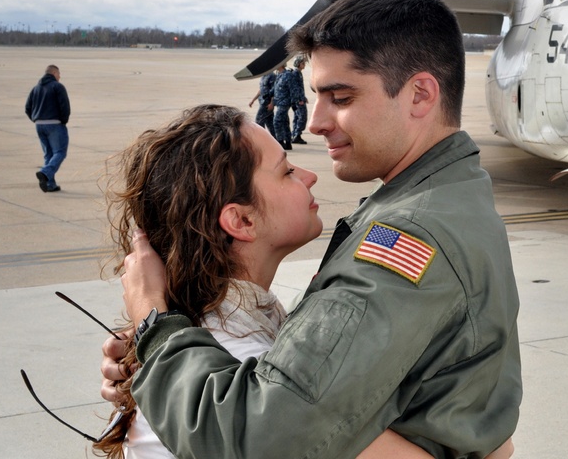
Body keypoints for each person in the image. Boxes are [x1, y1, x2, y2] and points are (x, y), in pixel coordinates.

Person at [104, 0, 522, 457]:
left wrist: (155, 331)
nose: (314, 122)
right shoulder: (446, 194)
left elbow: (262, 436)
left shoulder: (410, 235)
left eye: (340, 97)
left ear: (420, 95)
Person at [94, 104, 436, 459]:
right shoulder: (245, 367)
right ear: (241, 221)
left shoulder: (222, 329)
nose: (309, 176)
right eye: (286, 171)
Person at [24, 64, 70, 193]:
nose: (60, 77)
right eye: (59, 74)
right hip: (55, 124)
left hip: (39, 125)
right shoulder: (58, 87)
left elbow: (27, 108)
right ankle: (45, 173)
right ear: (54, 73)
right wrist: (63, 121)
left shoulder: (36, 88)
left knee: (49, 154)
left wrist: (36, 119)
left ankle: (50, 184)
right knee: (60, 152)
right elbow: (65, 106)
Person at [248, 64, 283, 138]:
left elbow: (274, 91)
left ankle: (262, 138)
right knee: (270, 123)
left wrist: (272, 103)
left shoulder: (272, 76)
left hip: (267, 102)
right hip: (262, 101)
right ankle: (275, 139)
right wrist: (253, 100)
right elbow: (261, 90)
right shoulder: (263, 76)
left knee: (259, 120)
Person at [271, 63, 295, 150]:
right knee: (284, 122)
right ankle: (288, 143)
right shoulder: (279, 75)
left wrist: (294, 103)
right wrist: (268, 94)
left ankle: (280, 142)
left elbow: (293, 89)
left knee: (276, 121)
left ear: (280, 65)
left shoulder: (288, 75)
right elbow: (276, 88)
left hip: (285, 102)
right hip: (279, 102)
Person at [289, 55, 309, 144]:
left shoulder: (298, 73)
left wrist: (304, 97)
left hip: (299, 99)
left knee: (297, 117)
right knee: (302, 117)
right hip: (298, 100)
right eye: (302, 63)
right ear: (298, 64)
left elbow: (299, 88)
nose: (304, 64)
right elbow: (295, 88)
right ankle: (297, 135)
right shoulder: (296, 73)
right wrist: (300, 99)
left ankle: (295, 134)